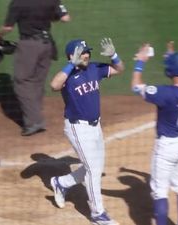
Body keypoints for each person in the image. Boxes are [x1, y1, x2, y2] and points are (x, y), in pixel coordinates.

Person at [49, 38, 124, 225]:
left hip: (96, 126)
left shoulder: (94, 68)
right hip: (77, 127)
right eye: (82, 52)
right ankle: (98, 214)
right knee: (92, 169)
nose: (86, 55)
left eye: (87, 52)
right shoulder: (68, 75)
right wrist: (69, 65)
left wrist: (114, 56)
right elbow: (54, 85)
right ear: (71, 56)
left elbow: (119, 69)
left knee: (95, 168)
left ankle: (61, 183)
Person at [130, 41, 178, 225]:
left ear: (170, 72)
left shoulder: (165, 93)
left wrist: (140, 61)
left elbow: (136, 86)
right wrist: (173, 57)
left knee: (160, 192)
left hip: (167, 147)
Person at [0, 0, 71, 136]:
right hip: (47, 45)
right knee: (37, 81)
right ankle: (35, 112)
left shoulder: (18, 2)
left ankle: (34, 122)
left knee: (21, 81)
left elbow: (8, 27)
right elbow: (65, 18)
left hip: (29, 45)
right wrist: (45, 15)